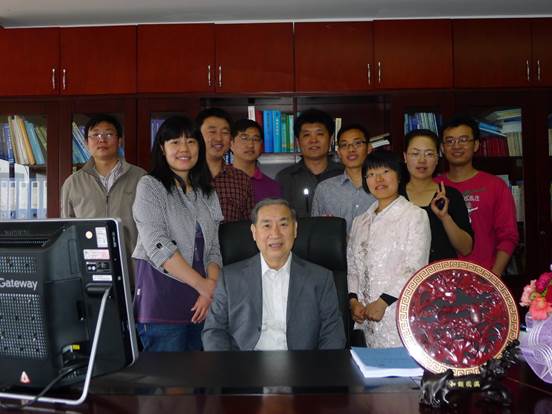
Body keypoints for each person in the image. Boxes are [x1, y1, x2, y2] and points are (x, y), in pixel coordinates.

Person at [202, 198, 346, 351]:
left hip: (302, 363)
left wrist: (318, 366)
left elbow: (333, 334)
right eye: (267, 225)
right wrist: (229, 365)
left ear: (295, 229)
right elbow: (214, 331)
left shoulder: (321, 278)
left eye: (283, 225)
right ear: (254, 232)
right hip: (245, 362)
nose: (275, 233)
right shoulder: (230, 278)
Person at [132, 115, 222, 352]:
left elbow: (214, 247)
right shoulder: (150, 186)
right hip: (162, 301)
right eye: (175, 142)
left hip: (202, 303)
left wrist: (210, 288)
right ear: (162, 148)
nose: (184, 149)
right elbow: (158, 245)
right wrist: (203, 285)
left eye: (191, 141)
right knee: (168, 375)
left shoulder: (208, 192)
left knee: (202, 374)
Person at [348, 150, 430, 348]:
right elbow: (352, 267)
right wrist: (353, 301)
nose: (378, 179)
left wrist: (383, 301)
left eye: (385, 171)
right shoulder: (360, 221)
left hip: (399, 315)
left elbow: (415, 267)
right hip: (366, 320)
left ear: (399, 175)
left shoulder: (414, 216)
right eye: (371, 174)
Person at [60, 113, 146, 287]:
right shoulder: (73, 183)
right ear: (86, 143)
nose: (102, 139)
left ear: (119, 140)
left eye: (108, 134)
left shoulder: (141, 178)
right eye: (95, 135)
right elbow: (66, 232)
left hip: (133, 270)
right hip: (88, 271)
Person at [439, 115, 519, 276]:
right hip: (441, 279)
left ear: (476, 145)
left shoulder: (495, 186)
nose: (456, 146)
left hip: (484, 276)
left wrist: (493, 277)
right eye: (450, 141)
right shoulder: (434, 186)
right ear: (442, 148)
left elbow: (508, 237)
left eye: (463, 140)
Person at [401, 128, 473, 262]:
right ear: (405, 157)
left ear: (437, 158)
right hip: (405, 274)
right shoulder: (395, 196)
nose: (422, 160)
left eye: (429, 154)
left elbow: (466, 248)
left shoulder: (451, 195)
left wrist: (445, 217)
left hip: (442, 274)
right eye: (415, 154)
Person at [276, 109, 343, 217]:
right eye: (307, 135)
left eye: (319, 134)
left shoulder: (344, 174)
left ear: (330, 139)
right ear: (298, 142)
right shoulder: (285, 178)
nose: (313, 140)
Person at [311, 124, 376, 234]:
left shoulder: (381, 186)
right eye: (344, 145)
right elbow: (316, 232)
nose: (351, 149)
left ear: (369, 148)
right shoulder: (324, 189)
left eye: (357, 143)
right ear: (339, 152)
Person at [196, 108, 254, 222]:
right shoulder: (185, 177)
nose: (219, 138)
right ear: (197, 136)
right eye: (212, 131)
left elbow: (249, 226)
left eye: (225, 132)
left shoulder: (242, 180)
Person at [230, 118, 282, 203]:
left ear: (261, 145)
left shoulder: (273, 186)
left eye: (256, 139)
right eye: (244, 138)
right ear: (231, 144)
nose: (250, 145)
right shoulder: (221, 182)